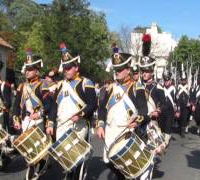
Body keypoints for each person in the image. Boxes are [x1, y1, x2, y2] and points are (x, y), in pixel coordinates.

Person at [96, 50, 149, 179]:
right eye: (116, 69)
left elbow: (143, 110)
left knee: (127, 171)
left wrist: (137, 121)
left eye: (120, 69)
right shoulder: (110, 89)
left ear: (128, 69)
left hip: (127, 134)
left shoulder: (137, 88)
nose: (117, 72)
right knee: (111, 166)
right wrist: (101, 125)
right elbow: (102, 109)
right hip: (111, 134)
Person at [52, 42, 97, 180]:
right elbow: (54, 106)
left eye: (69, 68)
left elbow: (92, 104)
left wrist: (81, 114)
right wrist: (49, 123)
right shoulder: (59, 85)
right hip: (62, 126)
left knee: (76, 159)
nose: (66, 70)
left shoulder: (85, 83)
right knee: (65, 159)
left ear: (76, 67)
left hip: (80, 126)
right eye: (65, 68)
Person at [12, 49, 55, 180]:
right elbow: (16, 105)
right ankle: (38, 167)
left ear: (37, 71)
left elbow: (49, 105)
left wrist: (40, 114)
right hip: (26, 120)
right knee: (29, 151)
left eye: (30, 69)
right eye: (26, 69)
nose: (27, 72)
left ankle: (38, 168)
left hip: (39, 121)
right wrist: (16, 119)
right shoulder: (22, 86)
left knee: (36, 151)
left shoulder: (43, 85)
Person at [162, 69, 176, 144]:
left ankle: (166, 141)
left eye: (167, 80)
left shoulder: (173, 89)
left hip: (170, 110)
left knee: (168, 125)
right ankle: (166, 136)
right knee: (163, 125)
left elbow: (176, 100)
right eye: (165, 80)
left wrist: (177, 111)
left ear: (170, 81)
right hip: (163, 110)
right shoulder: (161, 88)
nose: (166, 82)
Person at [176, 67, 190, 138]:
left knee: (184, 118)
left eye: (184, 80)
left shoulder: (188, 87)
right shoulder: (178, 87)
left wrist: (190, 102)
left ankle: (182, 131)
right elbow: (176, 96)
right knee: (179, 118)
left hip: (186, 105)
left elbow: (191, 96)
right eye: (182, 80)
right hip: (179, 104)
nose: (183, 81)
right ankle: (180, 127)